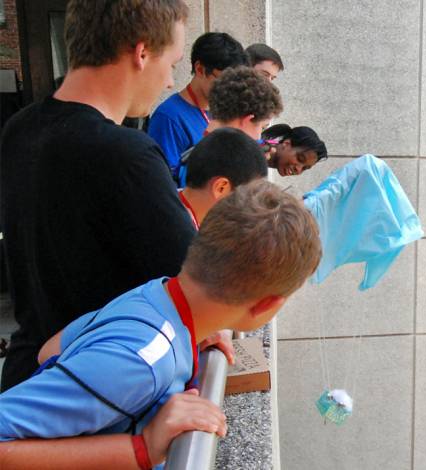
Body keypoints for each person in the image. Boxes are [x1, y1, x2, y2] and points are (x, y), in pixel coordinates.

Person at [0, 181, 322, 469]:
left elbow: (49, 352)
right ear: (268, 304)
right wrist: (140, 449)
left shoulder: (154, 295)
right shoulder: (144, 360)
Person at [0, 0, 196, 391]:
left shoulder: (18, 129)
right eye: (172, 63)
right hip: (90, 393)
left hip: (25, 376)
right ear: (141, 52)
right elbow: (197, 282)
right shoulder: (125, 154)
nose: (170, 82)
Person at [149, 32, 248, 181]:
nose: (229, 88)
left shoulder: (223, 112)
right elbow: (162, 181)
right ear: (200, 69)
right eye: (223, 80)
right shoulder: (169, 117)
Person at [175, 65, 283, 187]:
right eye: (262, 127)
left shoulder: (200, 151)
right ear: (248, 120)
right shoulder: (224, 167)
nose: (259, 136)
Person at [179, 128, 268, 228]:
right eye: (248, 195)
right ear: (221, 188)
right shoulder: (182, 236)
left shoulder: (170, 200)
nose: (250, 206)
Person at [262, 123, 328, 176]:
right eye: (300, 159)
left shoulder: (259, 169)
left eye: (304, 168)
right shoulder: (254, 148)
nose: (298, 169)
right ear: (286, 143)